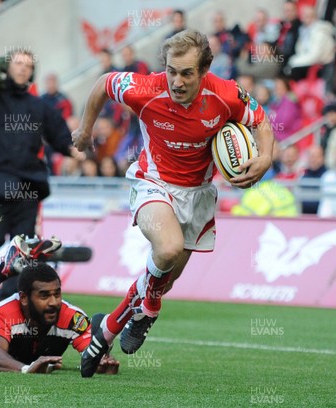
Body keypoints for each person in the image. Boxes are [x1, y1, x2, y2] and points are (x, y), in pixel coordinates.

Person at [72, 29, 274, 377]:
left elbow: (260, 121)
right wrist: (85, 129)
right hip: (153, 182)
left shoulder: (225, 94)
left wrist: (266, 157)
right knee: (166, 250)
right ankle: (149, 311)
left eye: (187, 73)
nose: (177, 81)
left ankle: (106, 327)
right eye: (171, 71)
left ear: (205, 70)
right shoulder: (146, 89)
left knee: (163, 278)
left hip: (197, 195)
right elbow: (104, 83)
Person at [0, 49, 80, 300]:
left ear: (32, 72)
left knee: (23, 246)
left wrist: (74, 150)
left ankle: (7, 299)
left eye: (28, 65)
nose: (23, 68)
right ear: (6, 68)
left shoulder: (40, 106)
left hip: (28, 184)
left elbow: (59, 136)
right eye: (18, 63)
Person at [0, 235, 119, 374]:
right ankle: (2, 272)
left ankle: (19, 265)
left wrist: (100, 362)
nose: (53, 303)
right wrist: (25, 368)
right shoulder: (4, 312)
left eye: (57, 294)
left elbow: (90, 352)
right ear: (24, 298)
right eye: (44, 296)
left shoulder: (71, 316)